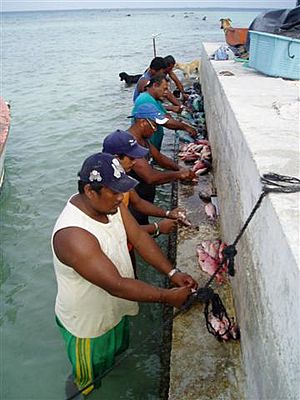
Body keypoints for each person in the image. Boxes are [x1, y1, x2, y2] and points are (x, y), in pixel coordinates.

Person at [51, 152, 198, 397]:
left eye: (123, 190)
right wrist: (167, 296)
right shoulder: (73, 236)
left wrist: (172, 272)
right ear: (90, 191)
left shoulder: (111, 205)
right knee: (86, 381)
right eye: (115, 192)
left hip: (115, 311)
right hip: (89, 327)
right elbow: (116, 285)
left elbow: (138, 237)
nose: (121, 198)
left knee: (116, 357)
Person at [102, 129, 184, 237]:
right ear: (117, 159)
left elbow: (138, 202)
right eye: (131, 158)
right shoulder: (105, 189)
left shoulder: (122, 177)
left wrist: (168, 213)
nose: (134, 161)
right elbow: (116, 231)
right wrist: (157, 227)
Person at [126, 103, 196, 224]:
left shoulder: (143, 139)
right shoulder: (128, 144)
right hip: (133, 205)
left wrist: (180, 169)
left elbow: (159, 158)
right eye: (154, 126)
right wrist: (179, 175)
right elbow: (150, 177)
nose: (156, 130)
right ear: (142, 122)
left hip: (144, 201)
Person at [133, 73, 197, 151]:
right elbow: (165, 122)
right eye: (164, 89)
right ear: (155, 85)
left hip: (152, 147)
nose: (166, 92)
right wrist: (187, 127)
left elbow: (166, 116)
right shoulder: (145, 100)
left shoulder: (155, 99)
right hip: (145, 147)